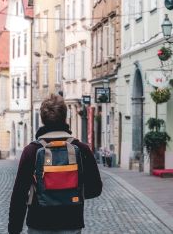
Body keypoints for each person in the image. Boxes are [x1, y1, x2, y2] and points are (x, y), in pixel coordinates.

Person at [8, 94, 102, 234]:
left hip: (38, 223)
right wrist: (71, 193)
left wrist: (14, 230)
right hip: (71, 222)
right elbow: (95, 188)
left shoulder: (31, 151)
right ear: (65, 116)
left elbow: (19, 194)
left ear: (42, 119)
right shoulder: (82, 149)